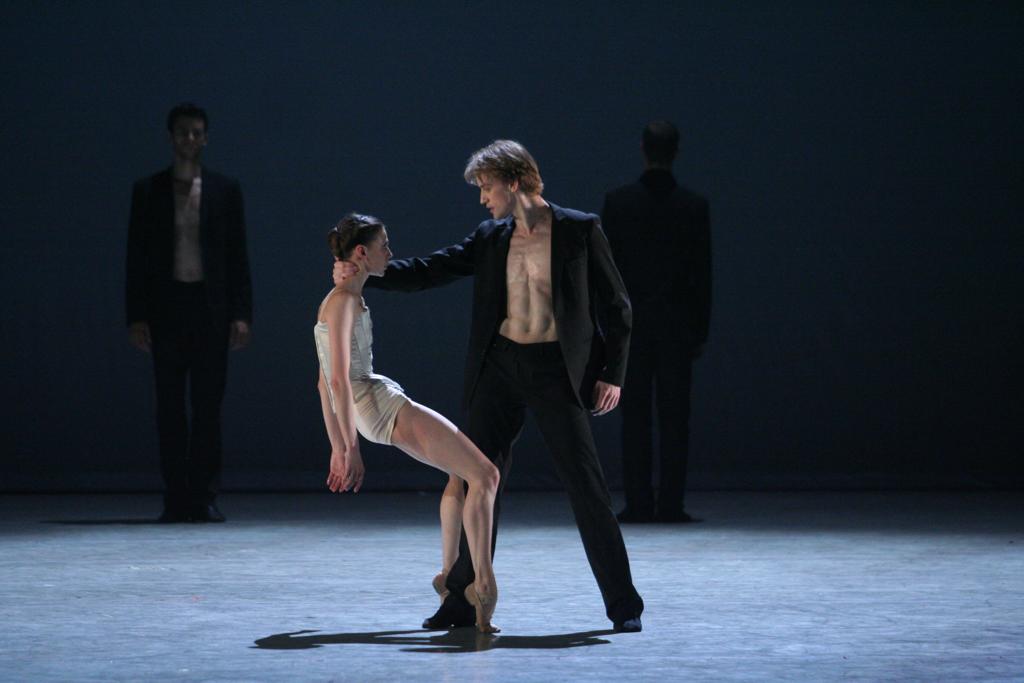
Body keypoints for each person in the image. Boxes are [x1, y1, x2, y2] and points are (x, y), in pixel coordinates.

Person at [334, 140, 644, 633]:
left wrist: (613, 374)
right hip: (499, 367)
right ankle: (461, 603)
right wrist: (368, 273)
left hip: (555, 369)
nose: (482, 198)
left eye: (486, 186)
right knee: (473, 478)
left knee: (586, 486)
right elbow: (433, 269)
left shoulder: (579, 230)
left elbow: (618, 306)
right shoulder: (491, 236)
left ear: (514, 181)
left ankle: (624, 605)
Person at [316, 213, 500, 633]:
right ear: (361, 253)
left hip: (371, 406)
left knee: (461, 474)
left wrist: (338, 444)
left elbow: (322, 382)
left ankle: (450, 577)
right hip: (376, 405)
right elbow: (336, 380)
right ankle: (482, 585)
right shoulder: (343, 301)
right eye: (384, 245)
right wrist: (348, 448)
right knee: (486, 475)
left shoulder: (341, 298)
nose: (391, 252)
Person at [125, 103, 253, 523]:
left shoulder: (224, 190)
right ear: (171, 137)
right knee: (169, 408)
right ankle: (175, 497)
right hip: (166, 309)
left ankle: (204, 496)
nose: (190, 139)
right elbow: (136, 257)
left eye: (197, 132)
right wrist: (136, 315)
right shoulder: (149, 191)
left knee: (208, 408)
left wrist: (241, 313)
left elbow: (237, 255)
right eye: (183, 132)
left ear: (205, 138)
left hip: (210, 309)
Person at [601, 121, 711, 523]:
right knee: (675, 418)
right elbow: (702, 275)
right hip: (677, 328)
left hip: (632, 329)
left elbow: (607, 274)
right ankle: (671, 504)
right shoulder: (693, 206)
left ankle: (639, 502)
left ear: (642, 148)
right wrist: (700, 330)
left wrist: (609, 329)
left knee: (634, 417)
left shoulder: (619, 203)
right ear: (676, 151)